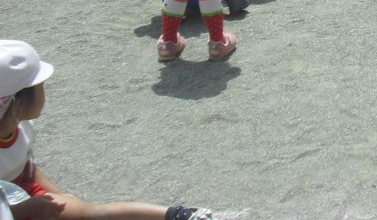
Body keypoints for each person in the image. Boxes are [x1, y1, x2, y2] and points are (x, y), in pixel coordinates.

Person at [0, 40, 219, 220]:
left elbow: (27, 169)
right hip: (12, 208)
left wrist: (59, 195)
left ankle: (178, 215)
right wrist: (24, 210)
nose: (44, 94)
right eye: (41, 87)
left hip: (24, 196)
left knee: (89, 212)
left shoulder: (21, 125)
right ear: (17, 103)